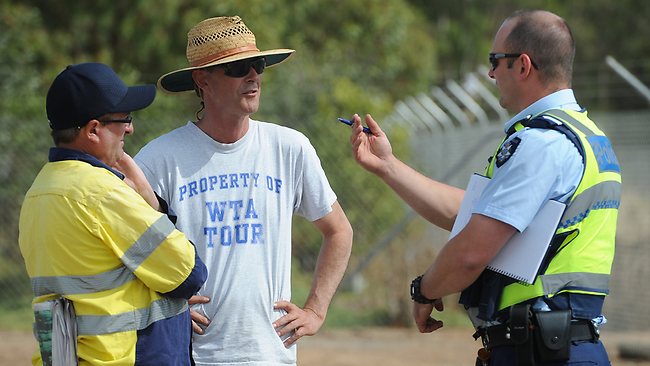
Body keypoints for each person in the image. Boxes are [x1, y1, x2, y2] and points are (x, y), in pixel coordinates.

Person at [349, 9, 620, 366]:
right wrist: (388, 166)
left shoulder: (542, 143)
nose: (491, 73)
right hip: (560, 344)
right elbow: (474, 214)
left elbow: (472, 252)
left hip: (541, 351)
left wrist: (425, 289)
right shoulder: (583, 134)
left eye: (496, 61)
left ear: (523, 66)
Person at [134, 16, 353, 365]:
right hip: (191, 355)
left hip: (271, 354)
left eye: (258, 64)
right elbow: (121, 250)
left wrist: (315, 309)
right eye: (237, 68)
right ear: (202, 80)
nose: (253, 76)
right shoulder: (160, 159)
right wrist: (161, 305)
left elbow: (338, 230)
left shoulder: (289, 147)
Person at [18, 62, 208, 365]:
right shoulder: (102, 192)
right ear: (94, 130)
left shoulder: (40, 191)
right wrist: (150, 199)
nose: (130, 128)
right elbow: (188, 274)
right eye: (124, 119)